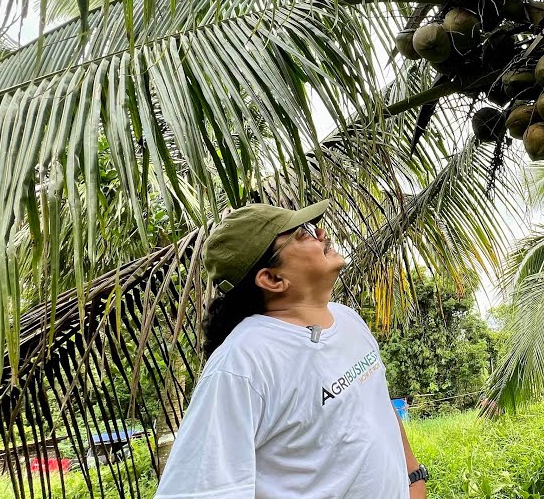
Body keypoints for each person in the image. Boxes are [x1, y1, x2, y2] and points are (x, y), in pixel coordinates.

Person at [155, 200, 429, 499]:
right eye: (303, 234)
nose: (321, 233)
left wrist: (414, 477)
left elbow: (377, 403)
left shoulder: (348, 319)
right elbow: (198, 489)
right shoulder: (241, 364)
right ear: (272, 279)